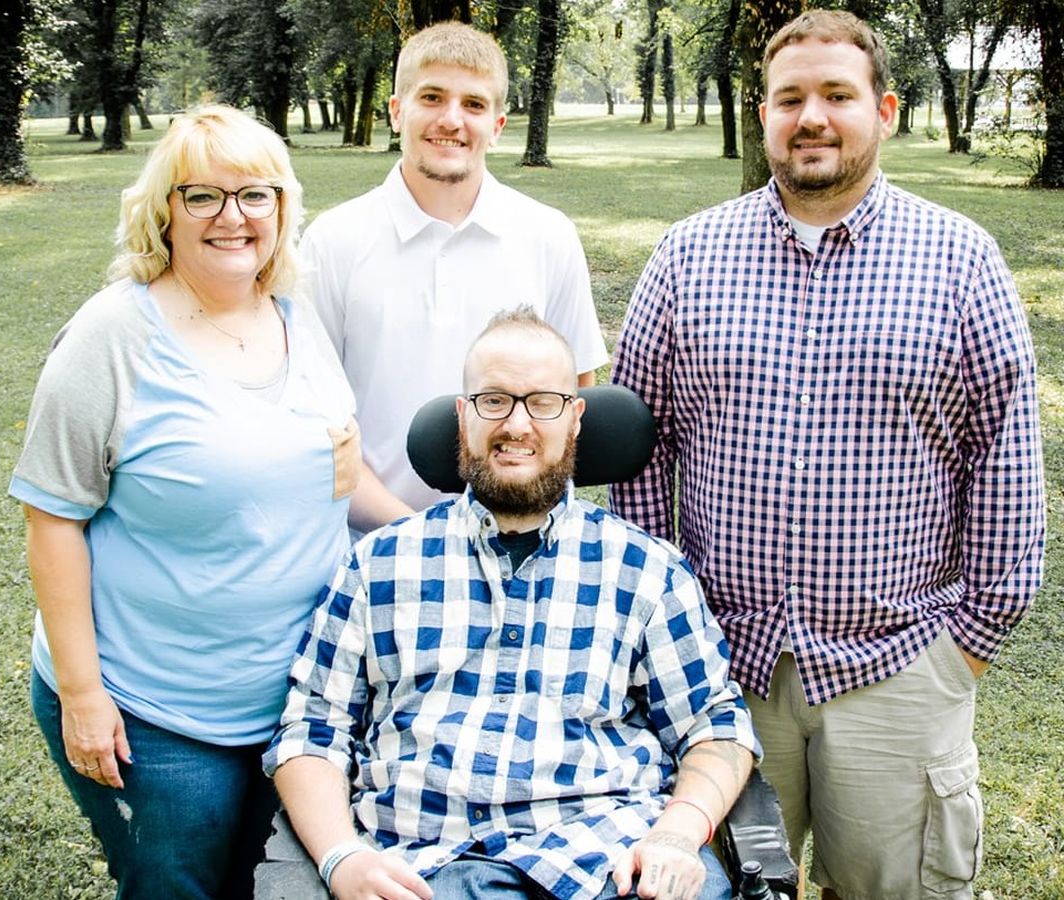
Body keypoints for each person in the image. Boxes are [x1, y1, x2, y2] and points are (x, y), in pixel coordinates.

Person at [609, 10, 1044, 900]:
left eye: (837, 95)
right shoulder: (687, 255)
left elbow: (1003, 457)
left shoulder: (961, 259)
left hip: (898, 666)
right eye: (790, 98)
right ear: (763, 114)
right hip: (722, 669)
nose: (812, 117)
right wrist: (664, 622)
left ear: (883, 110)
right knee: (714, 887)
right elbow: (641, 446)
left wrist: (965, 648)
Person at [264, 308, 759, 900]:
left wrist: (677, 834)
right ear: (462, 416)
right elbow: (313, 729)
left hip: (607, 860)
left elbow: (714, 725)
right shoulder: (377, 567)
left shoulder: (647, 571)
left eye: (544, 402)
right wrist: (341, 857)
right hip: (419, 865)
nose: (517, 424)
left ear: (575, 418)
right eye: (494, 400)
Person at [9, 105, 361, 900]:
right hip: (154, 709)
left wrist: (424, 528)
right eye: (202, 195)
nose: (233, 217)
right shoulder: (111, 337)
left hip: (297, 701)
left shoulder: (292, 313)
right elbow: (53, 519)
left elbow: (334, 462)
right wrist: (84, 696)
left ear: (282, 208)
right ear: (163, 210)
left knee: (270, 886)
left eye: (256, 194)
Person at [300, 21, 608, 531]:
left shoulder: (548, 235)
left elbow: (571, 392)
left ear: (498, 124)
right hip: (371, 540)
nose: (451, 119)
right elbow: (316, 417)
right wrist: (417, 537)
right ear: (396, 110)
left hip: (518, 542)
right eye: (432, 97)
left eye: (473, 104)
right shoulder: (332, 241)